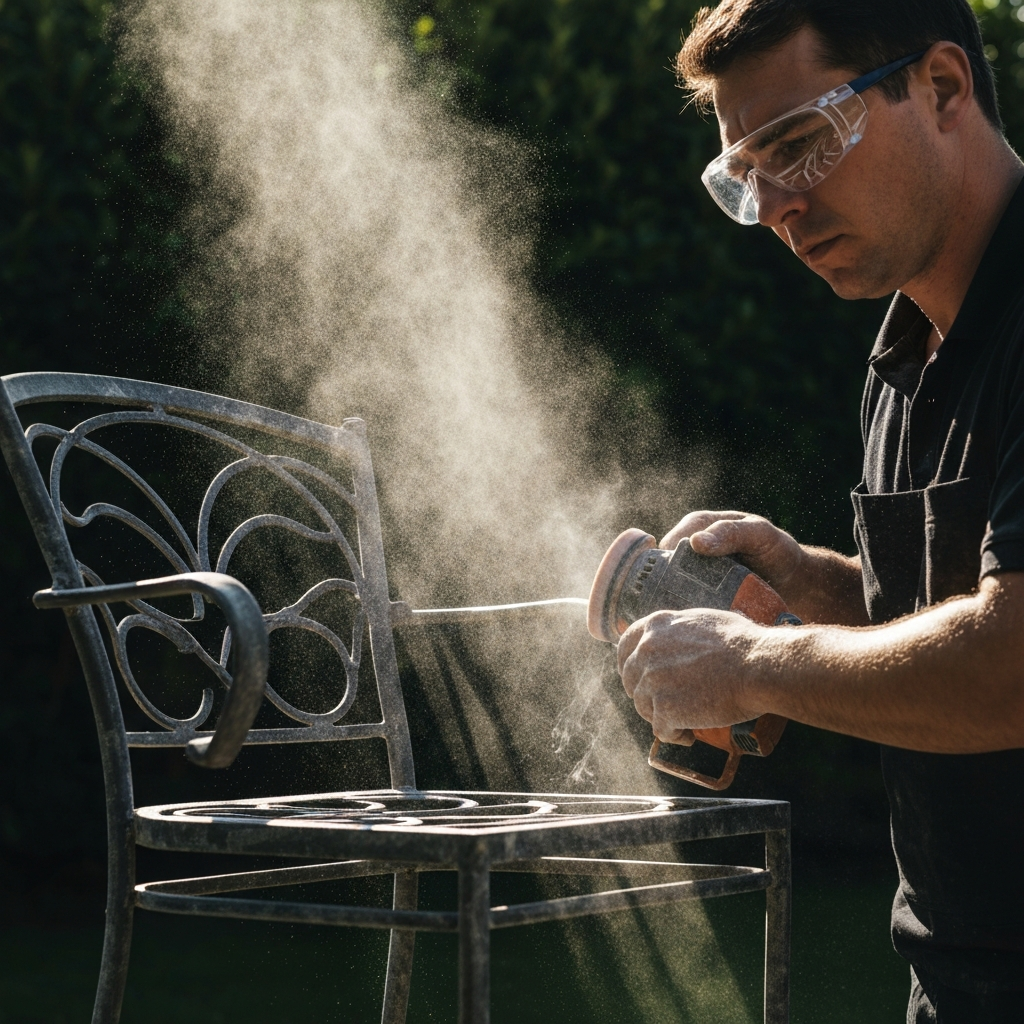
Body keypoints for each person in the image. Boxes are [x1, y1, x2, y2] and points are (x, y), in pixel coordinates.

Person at [615, 2, 1024, 1020]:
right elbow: (953, 609)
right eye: (745, 177)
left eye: (798, 144)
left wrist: (752, 665)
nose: (780, 208)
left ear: (938, 88)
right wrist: (812, 582)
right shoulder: (900, 357)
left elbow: (1011, 664)